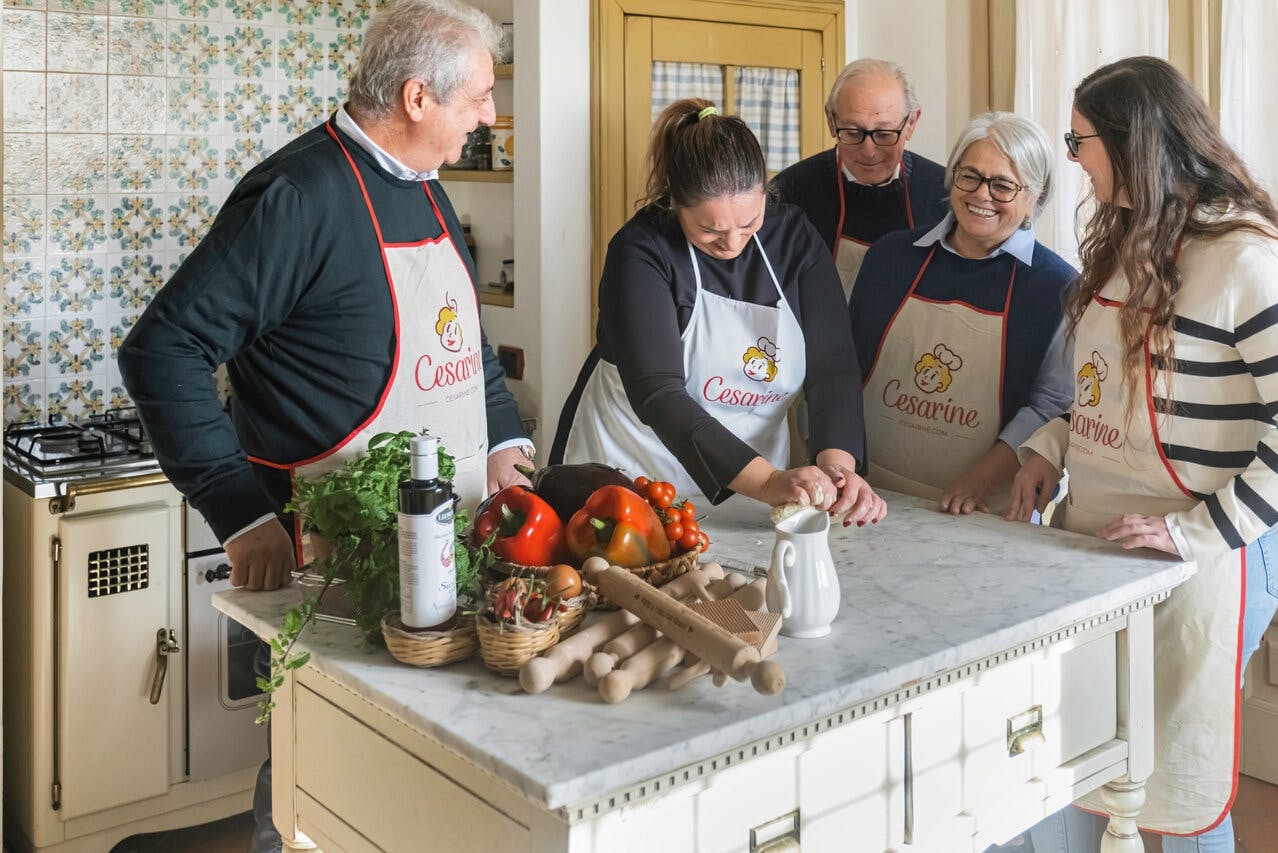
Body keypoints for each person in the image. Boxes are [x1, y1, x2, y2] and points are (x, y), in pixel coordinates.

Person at [119, 2, 531, 850]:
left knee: (420, 787)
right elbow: (162, 348)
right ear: (419, 98)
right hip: (338, 559)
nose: (489, 115)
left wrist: (504, 445)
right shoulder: (299, 196)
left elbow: (463, 342)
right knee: (325, 776)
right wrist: (236, 506)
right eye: (479, 98)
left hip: (451, 546)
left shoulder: (426, 190)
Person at [1007, 56, 1278, 852]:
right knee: (1088, 763)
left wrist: (1193, 533)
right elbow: (1109, 394)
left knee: (1182, 782)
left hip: (1209, 562)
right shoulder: (1134, 240)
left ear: (1134, 145)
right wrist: (1046, 448)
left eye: (1079, 140)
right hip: (1101, 549)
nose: (1074, 158)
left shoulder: (1246, 262)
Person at [550, 99, 886, 524]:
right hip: (628, 469)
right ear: (675, 202)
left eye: (749, 223)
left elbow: (833, 363)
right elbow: (658, 394)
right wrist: (767, 482)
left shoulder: (793, 238)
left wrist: (839, 469)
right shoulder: (641, 251)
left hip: (753, 482)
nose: (732, 243)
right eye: (710, 229)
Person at [850, 112, 1075, 515]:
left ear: (1034, 198)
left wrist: (981, 481)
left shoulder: (1057, 287)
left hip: (982, 508)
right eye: (968, 175)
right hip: (869, 495)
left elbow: (1051, 405)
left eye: (1003, 185)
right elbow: (844, 366)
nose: (981, 195)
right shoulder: (890, 257)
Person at [772, 58, 951, 300]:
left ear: (911, 123)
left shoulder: (946, 194)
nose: (869, 151)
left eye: (885, 133)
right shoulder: (788, 192)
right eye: (853, 132)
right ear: (831, 121)